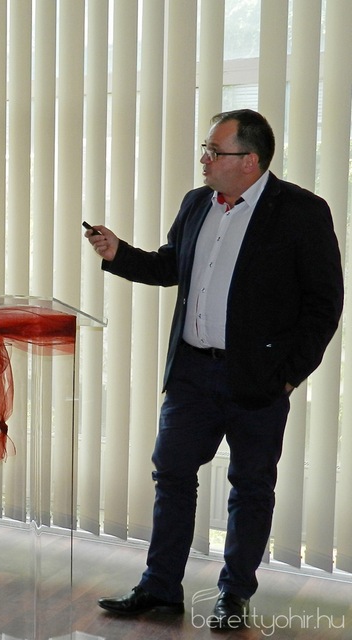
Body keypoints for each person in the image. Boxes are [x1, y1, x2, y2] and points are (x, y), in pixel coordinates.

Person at [84, 109, 344, 631]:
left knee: (250, 487)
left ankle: (234, 595)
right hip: (192, 374)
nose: (204, 159)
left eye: (213, 151)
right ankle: (160, 588)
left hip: (258, 380)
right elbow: (170, 266)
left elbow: (324, 304)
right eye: (206, 150)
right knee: (172, 476)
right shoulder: (196, 203)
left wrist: (288, 375)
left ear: (249, 161)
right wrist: (119, 254)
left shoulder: (301, 211)